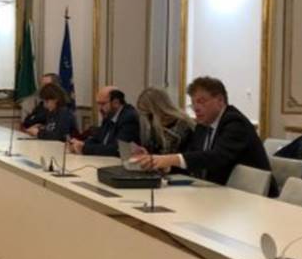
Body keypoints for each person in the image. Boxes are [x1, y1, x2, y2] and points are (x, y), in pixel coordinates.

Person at [135, 76, 271, 186]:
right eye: (193, 103)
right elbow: (194, 159)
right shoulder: (203, 126)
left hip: (253, 197)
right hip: (219, 193)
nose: (196, 108)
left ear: (220, 100)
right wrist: (166, 166)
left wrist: (170, 159)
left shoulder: (235, 122)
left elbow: (217, 157)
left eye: (201, 101)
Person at [69, 86, 140, 156]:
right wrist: (81, 143)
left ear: (116, 102)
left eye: (103, 104)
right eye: (98, 104)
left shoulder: (129, 118)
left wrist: (84, 148)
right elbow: (98, 139)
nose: (99, 108)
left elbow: (116, 149)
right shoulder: (109, 116)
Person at [136, 87, 194, 154]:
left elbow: (185, 156)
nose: (148, 119)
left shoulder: (184, 125)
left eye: (148, 114)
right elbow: (154, 150)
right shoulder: (155, 126)